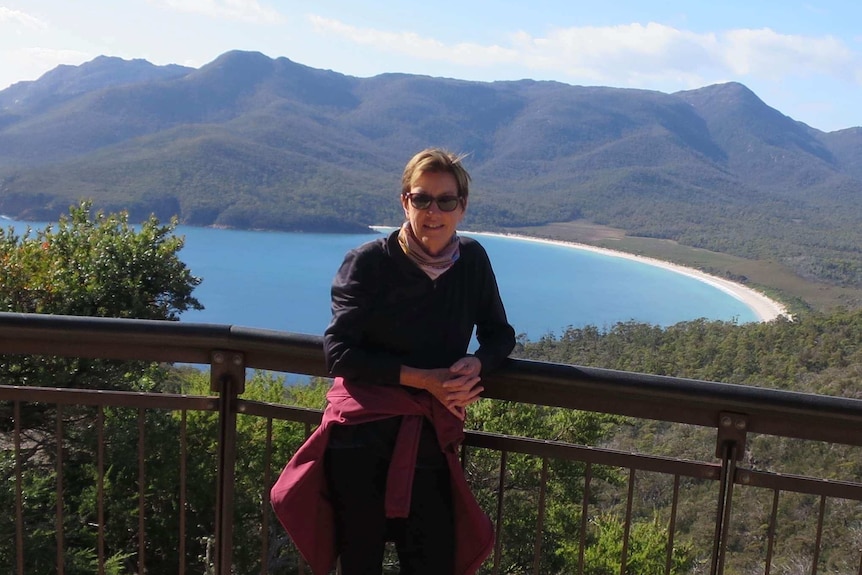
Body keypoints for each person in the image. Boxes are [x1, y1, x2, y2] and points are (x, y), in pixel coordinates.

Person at [271, 148, 516, 575]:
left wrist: (478, 365)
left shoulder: (472, 261)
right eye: (422, 199)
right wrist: (426, 381)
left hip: (429, 436)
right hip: (360, 438)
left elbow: (499, 334)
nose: (433, 211)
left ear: (462, 207)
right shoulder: (368, 262)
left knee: (433, 560)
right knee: (360, 563)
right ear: (405, 202)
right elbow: (339, 352)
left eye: (446, 200)